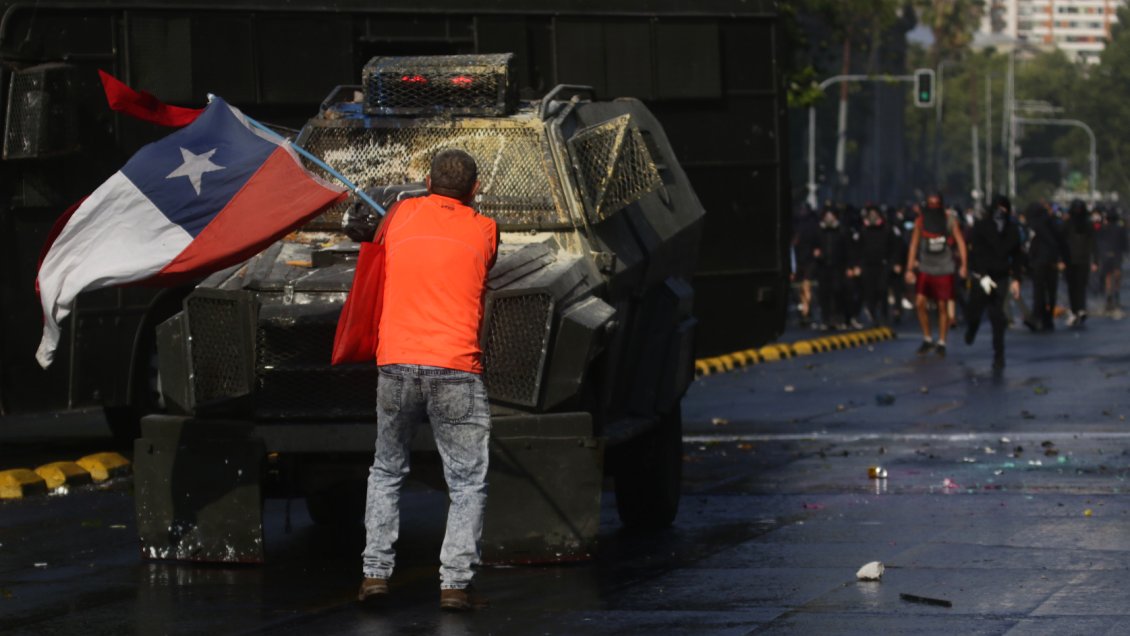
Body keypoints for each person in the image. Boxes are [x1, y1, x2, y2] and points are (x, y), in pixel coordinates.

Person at [358, 149, 499, 612]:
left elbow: (375, 231)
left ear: (425, 180)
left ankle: (375, 576)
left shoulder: (400, 214)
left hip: (397, 363)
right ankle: (455, 585)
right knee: (466, 482)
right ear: (474, 189)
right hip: (456, 367)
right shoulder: (486, 228)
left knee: (386, 471)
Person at [964, 195, 1025, 370]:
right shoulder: (981, 227)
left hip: (1001, 276)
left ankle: (999, 354)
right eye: (998, 208)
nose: (1000, 212)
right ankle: (972, 328)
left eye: (1003, 208)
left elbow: (1017, 256)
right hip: (981, 275)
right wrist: (982, 275)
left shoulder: (1012, 230)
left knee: (997, 316)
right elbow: (975, 253)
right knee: (975, 311)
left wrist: (1017, 279)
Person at [905, 193, 968, 357]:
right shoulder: (921, 221)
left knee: (942, 305)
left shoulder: (949, 220)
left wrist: (964, 266)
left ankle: (941, 341)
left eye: (936, 204)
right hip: (926, 266)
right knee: (920, 302)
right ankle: (927, 338)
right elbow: (913, 245)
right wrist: (909, 269)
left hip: (944, 267)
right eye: (930, 204)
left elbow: (961, 242)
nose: (933, 207)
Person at [1024, 202, 1066, 332]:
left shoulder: (1034, 225)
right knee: (1051, 291)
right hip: (1051, 261)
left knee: (1039, 291)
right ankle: (1047, 318)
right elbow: (1060, 240)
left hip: (1039, 261)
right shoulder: (1053, 222)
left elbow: (1032, 244)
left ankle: (1037, 317)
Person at [857, 205, 900, 325]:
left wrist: (894, 263)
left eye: (875, 215)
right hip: (868, 265)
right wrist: (858, 265)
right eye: (870, 215)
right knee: (870, 291)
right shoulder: (863, 230)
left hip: (883, 264)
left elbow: (894, 247)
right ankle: (873, 314)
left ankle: (884, 315)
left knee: (883, 289)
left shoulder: (887, 229)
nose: (873, 217)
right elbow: (858, 248)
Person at [814, 207, 851, 330]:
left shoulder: (842, 231)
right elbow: (812, 245)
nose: (829, 218)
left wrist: (849, 266)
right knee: (824, 293)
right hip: (823, 266)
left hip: (838, 267)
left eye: (831, 216)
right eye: (827, 216)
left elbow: (847, 249)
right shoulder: (819, 231)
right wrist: (816, 254)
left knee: (838, 291)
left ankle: (838, 317)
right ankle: (826, 319)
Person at [1061, 199, 1097, 327]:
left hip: (1075, 259)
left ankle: (1078, 309)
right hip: (1074, 259)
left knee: (1076, 286)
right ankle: (1078, 309)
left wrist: (1095, 260)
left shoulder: (1072, 223)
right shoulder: (1078, 224)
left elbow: (1093, 243)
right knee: (1078, 286)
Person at [1096, 207, 1128, 313]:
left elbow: (1099, 242)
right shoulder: (1120, 228)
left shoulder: (1103, 229)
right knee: (1116, 275)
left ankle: (1110, 297)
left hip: (1107, 255)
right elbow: (1125, 243)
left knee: (1109, 277)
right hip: (1116, 254)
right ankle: (1115, 296)